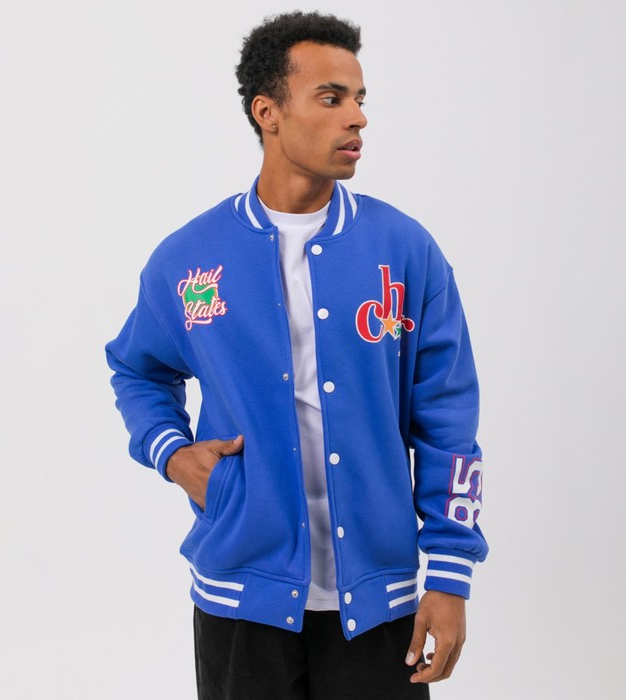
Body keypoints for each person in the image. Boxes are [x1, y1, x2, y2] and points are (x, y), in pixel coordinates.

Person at [106, 11, 487, 700]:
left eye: (360, 98)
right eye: (331, 98)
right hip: (239, 593)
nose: (357, 118)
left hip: (380, 598)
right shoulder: (190, 258)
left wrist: (451, 572)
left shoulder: (405, 251)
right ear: (269, 112)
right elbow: (138, 368)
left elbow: (448, 419)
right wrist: (172, 453)